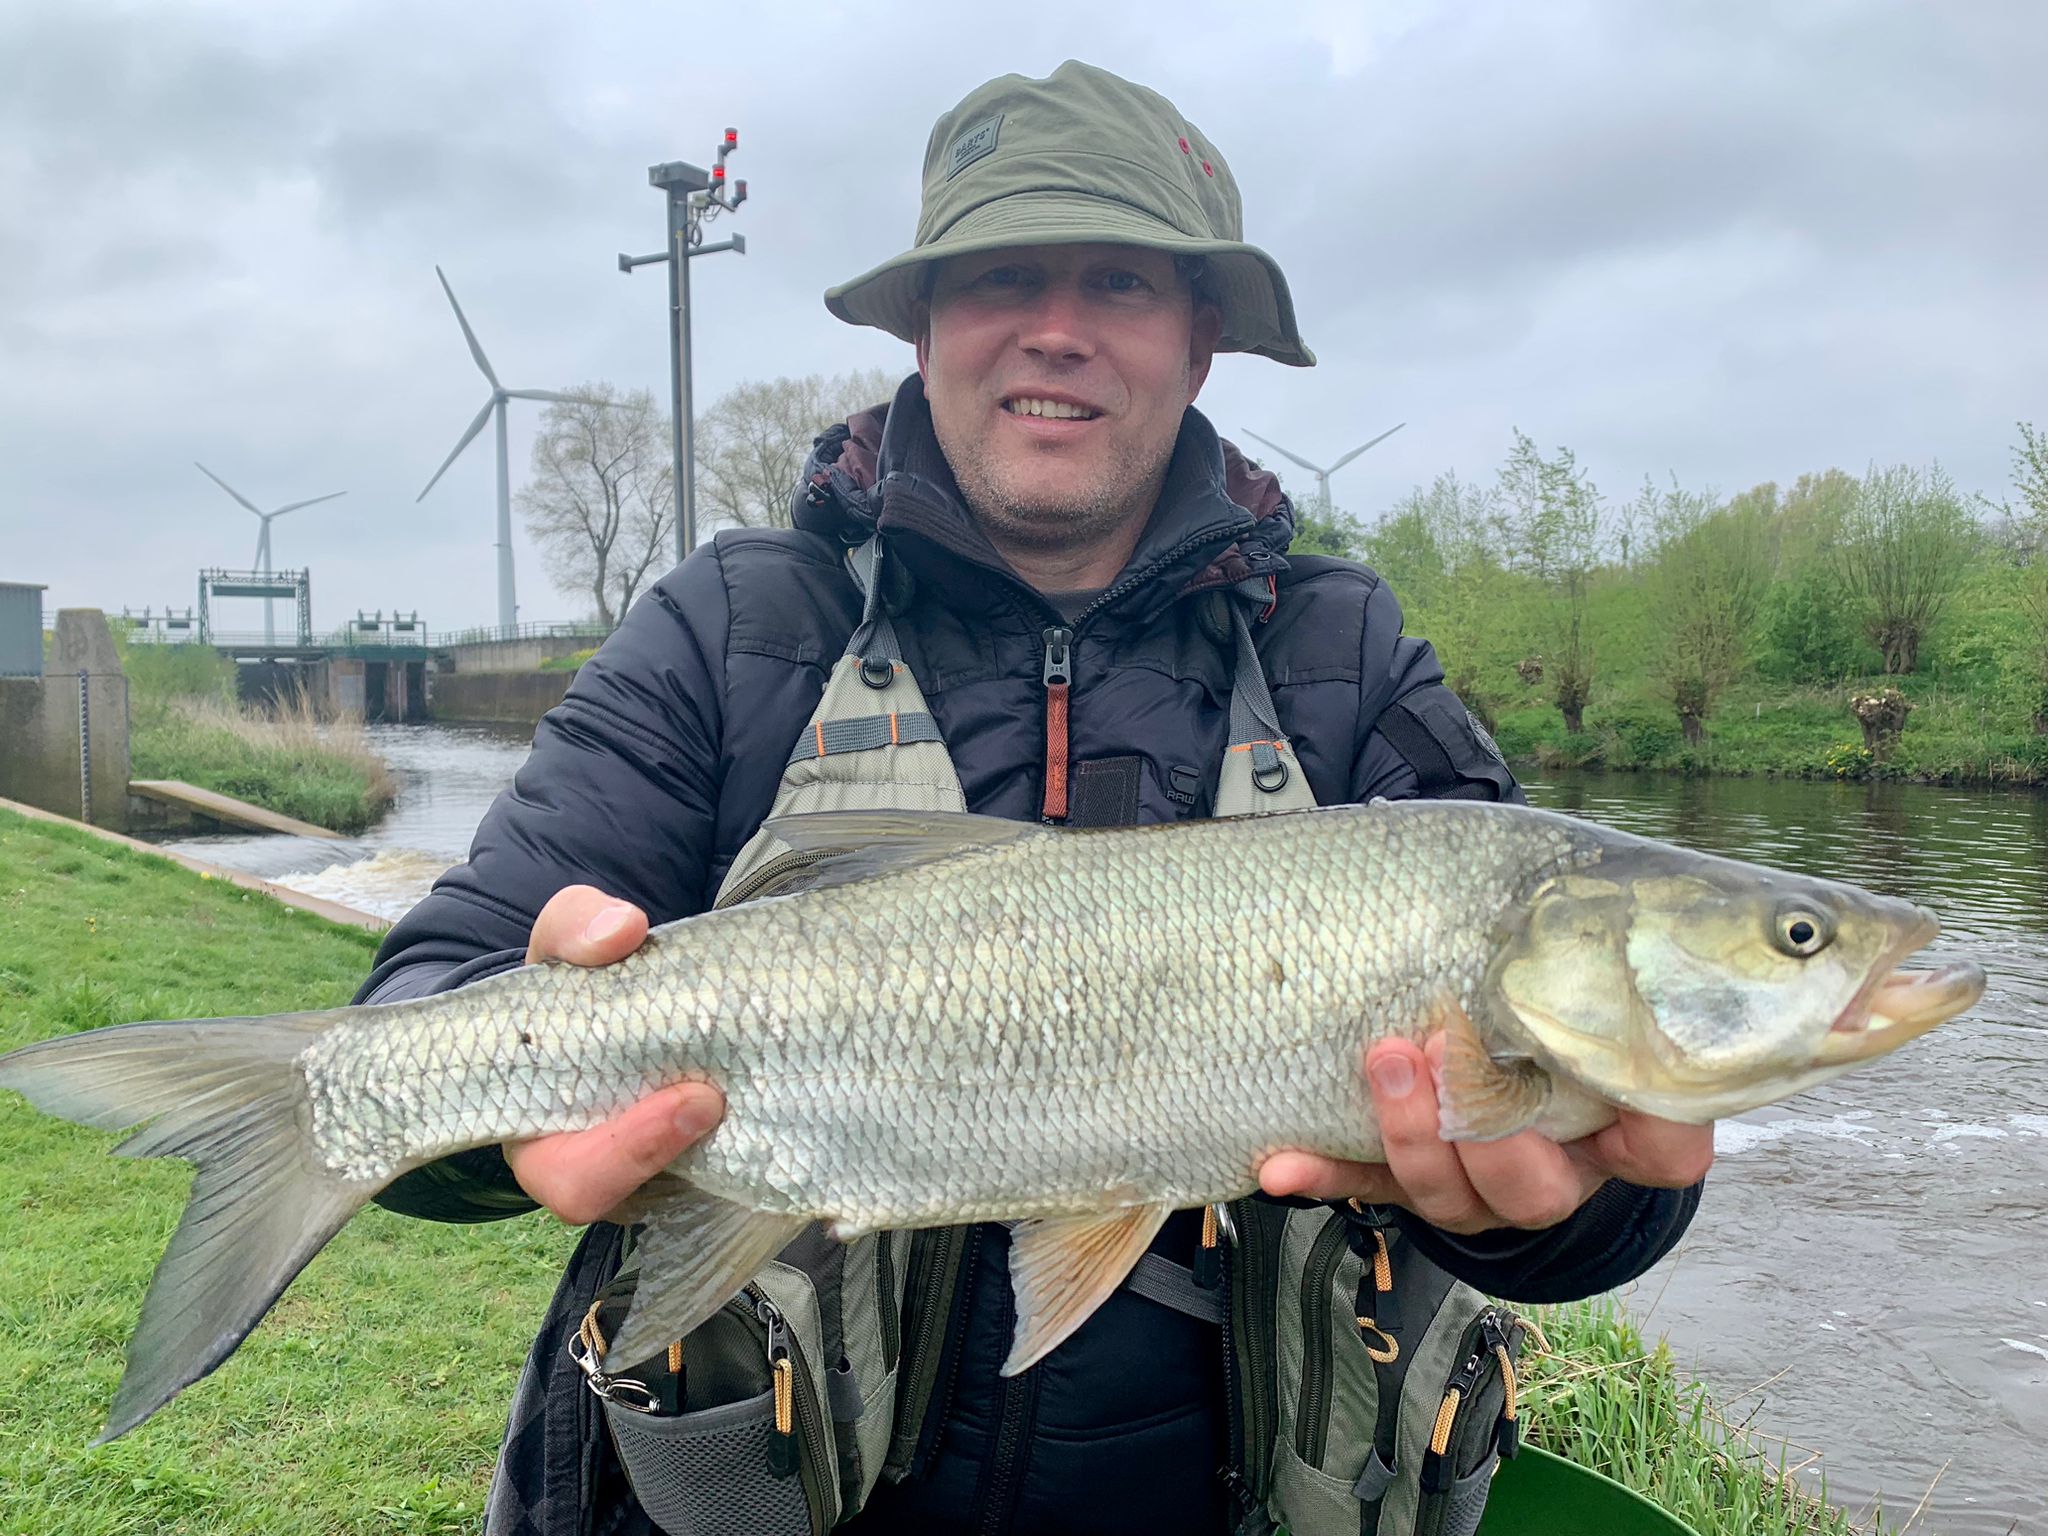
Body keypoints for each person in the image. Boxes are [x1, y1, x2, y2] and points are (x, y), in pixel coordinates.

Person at [360, 60, 1712, 1536]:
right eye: (1004, 275)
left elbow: (1591, 1217)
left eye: (1120, 282)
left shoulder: (1351, 654)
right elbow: (429, 1000)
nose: (1056, 329)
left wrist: (1593, 1205)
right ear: (925, 325)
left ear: (1201, 343)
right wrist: (496, 1116)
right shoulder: (729, 623)